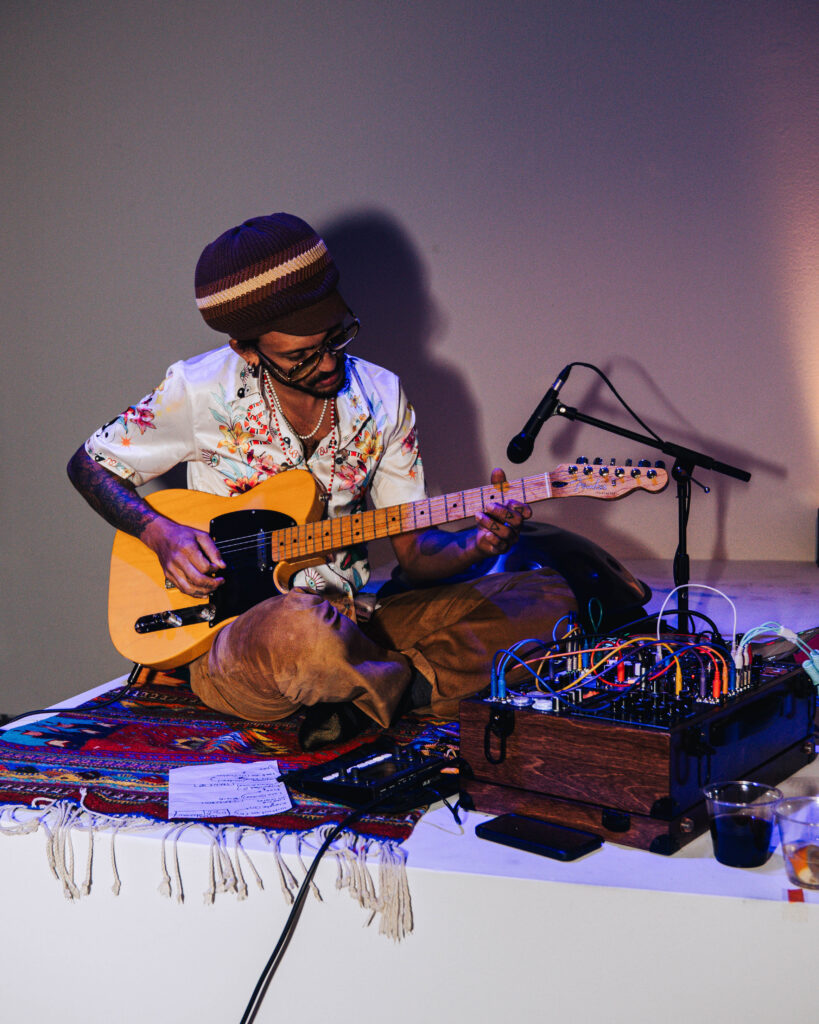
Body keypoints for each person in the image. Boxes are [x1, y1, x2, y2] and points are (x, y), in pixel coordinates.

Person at [67, 213, 577, 749]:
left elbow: (416, 557)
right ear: (248, 350)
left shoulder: (382, 397)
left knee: (547, 596)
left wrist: (476, 545)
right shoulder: (198, 391)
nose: (330, 363)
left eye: (336, 339)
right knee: (302, 633)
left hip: (355, 618)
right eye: (302, 356)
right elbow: (88, 464)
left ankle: (368, 696)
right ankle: (399, 683)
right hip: (248, 636)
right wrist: (160, 534)